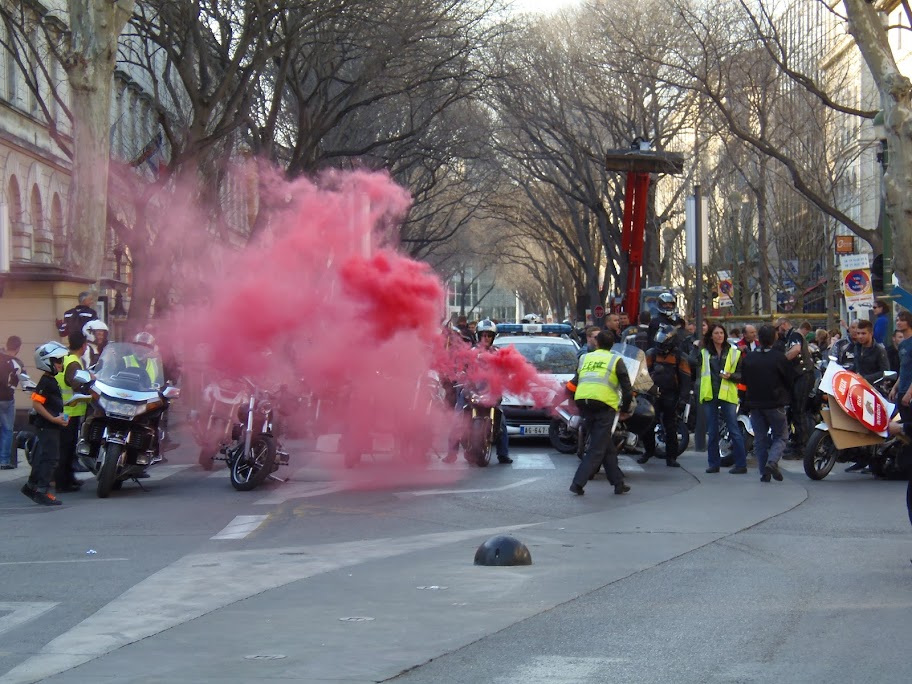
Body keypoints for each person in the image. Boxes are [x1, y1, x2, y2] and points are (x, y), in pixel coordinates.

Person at [568, 330, 632, 496]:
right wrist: (625, 408)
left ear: (597, 343)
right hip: (604, 405)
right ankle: (577, 483)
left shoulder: (585, 358)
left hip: (584, 403)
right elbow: (626, 388)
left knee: (606, 445)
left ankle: (618, 483)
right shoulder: (615, 360)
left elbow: (575, 382)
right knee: (597, 448)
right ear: (612, 345)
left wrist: (567, 395)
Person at [444, 319, 512, 464]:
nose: (486, 338)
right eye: (483, 335)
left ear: (493, 337)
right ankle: (451, 454)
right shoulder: (470, 353)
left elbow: (507, 370)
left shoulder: (498, 353)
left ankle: (503, 454)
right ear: (478, 336)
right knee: (457, 418)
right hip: (471, 389)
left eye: (489, 335)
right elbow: (460, 368)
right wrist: (459, 376)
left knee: (502, 420)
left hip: (491, 391)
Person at [741, 325, 794, 483]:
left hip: (755, 403)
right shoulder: (779, 358)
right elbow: (789, 379)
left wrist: (743, 400)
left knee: (760, 439)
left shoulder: (749, 358)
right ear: (775, 338)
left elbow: (743, 382)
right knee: (781, 436)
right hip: (774, 402)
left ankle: (764, 472)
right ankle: (772, 461)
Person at [695, 322, 747, 474]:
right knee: (712, 431)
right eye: (716, 333)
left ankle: (741, 464)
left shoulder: (734, 352)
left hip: (727, 394)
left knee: (734, 429)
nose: (719, 336)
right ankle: (713, 463)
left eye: (722, 333)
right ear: (711, 335)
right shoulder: (704, 352)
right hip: (710, 393)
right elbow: (692, 362)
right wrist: (694, 347)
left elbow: (741, 374)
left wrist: (731, 376)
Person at [22, 342, 69, 506]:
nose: (60, 364)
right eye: (57, 361)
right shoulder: (46, 382)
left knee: (43, 457)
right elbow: (37, 404)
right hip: (47, 426)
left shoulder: (50, 380)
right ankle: (41, 491)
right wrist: (53, 419)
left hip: (51, 425)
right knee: (50, 459)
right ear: (47, 362)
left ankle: (30, 487)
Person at [640, 324, 692, 467]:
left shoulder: (680, 357)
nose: (660, 343)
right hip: (652, 393)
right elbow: (642, 373)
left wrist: (683, 399)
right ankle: (648, 451)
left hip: (671, 395)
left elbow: (686, 379)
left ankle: (671, 457)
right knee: (648, 425)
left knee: (670, 427)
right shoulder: (651, 353)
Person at [54, 331, 90, 493]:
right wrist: (89, 382)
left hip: (65, 409)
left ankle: (69, 478)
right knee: (66, 448)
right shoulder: (74, 362)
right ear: (83, 346)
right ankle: (63, 482)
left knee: (67, 448)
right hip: (69, 411)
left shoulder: (66, 358)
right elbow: (75, 383)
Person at [775, 317, 815, 459]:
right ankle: (797, 441)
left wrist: (779, 362)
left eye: (778, 328)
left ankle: (802, 448)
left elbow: (795, 350)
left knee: (799, 410)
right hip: (798, 377)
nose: (778, 331)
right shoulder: (790, 337)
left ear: (785, 324)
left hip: (803, 376)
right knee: (794, 410)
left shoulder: (795, 335)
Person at [1, 336, 24, 470]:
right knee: (7, 429)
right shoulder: (17, 363)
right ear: (18, 348)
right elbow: (25, 382)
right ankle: (3, 461)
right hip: (7, 399)